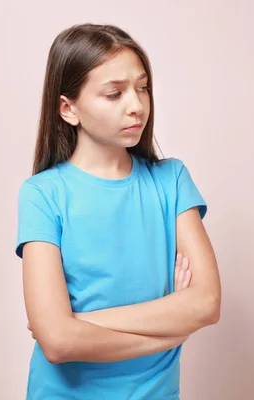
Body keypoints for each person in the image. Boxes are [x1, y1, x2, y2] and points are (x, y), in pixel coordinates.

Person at [15, 23, 221, 399]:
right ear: (68, 108)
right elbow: (58, 343)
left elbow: (206, 303)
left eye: (142, 88)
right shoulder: (42, 194)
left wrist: (79, 325)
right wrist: (172, 329)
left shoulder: (170, 180)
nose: (136, 105)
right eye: (114, 94)